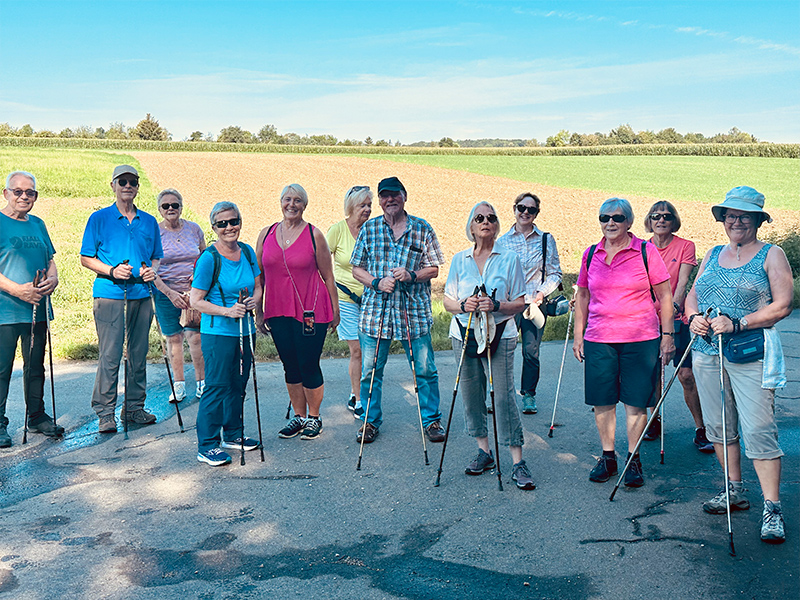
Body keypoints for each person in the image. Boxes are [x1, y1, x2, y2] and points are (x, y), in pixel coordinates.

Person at [685, 186, 793, 544]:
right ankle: (734, 490)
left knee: (759, 429)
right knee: (719, 426)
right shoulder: (713, 253)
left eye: (744, 216)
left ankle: (772, 508)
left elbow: (783, 306)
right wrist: (693, 317)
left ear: (758, 220)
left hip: (749, 352)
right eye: (730, 215)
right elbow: (694, 294)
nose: (736, 221)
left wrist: (739, 322)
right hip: (705, 351)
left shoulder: (771, 254)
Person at [572, 197, 675, 488]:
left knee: (635, 403)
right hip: (599, 338)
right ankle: (608, 457)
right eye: (605, 218)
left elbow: (665, 296)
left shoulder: (645, 250)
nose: (610, 223)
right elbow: (582, 296)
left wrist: (667, 337)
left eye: (617, 218)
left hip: (640, 338)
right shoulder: (591, 254)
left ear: (629, 222)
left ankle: (633, 458)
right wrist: (579, 335)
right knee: (602, 401)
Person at [443, 202, 534, 489]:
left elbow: (520, 303)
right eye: (479, 218)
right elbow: (447, 301)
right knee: (471, 395)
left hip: (501, 333)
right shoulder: (460, 260)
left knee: (503, 397)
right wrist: (462, 304)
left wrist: (496, 305)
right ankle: (485, 451)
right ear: (471, 226)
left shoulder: (509, 259)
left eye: (491, 218)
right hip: (465, 333)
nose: (485, 222)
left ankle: (517, 460)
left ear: (496, 226)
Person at [350, 176, 445, 444]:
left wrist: (412, 275)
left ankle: (431, 420)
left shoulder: (422, 228)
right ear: (379, 200)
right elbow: (356, 268)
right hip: (375, 313)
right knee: (370, 371)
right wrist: (377, 282)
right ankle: (369, 421)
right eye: (384, 196)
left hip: (412, 313)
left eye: (395, 194)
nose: (390, 199)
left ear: (405, 196)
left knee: (424, 369)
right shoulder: (369, 229)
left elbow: (434, 267)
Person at [80, 165, 162, 433]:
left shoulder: (149, 221)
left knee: (138, 353)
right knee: (110, 353)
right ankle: (105, 412)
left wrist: (153, 270)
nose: (128, 186)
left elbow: (156, 256)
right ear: (113, 185)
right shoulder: (99, 218)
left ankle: (134, 408)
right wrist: (112, 270)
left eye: (133, 182)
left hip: (141, 293)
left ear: (138, 187)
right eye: (123, 181)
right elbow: (86, 258)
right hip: (110, 293)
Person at [256, 184, 339, 441]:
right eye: (287, 199)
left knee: (308, 364)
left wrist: (335, 311)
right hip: (277, 310)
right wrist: (259, 311)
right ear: (280, 202)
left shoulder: (315, 235)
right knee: (289, 365)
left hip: (310, 311)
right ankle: (299, 416)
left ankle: (315, 417)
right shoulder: (266, 233)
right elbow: (259, 277)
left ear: (305, 205)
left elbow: (328, 275)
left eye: (298, 200)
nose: (292, 204)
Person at [190, 202, 262, 466]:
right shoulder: (209, 258)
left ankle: (232, 434)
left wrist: (255, 300)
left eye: (233, 221)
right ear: (214, 228)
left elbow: (257, 285)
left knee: (238, 384)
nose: (229, 227)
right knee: (217, 386)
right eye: (222, 224)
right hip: (218, 332)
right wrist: (226, 311)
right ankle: (207, 445)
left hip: (245, 330)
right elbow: (195, 300)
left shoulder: (246, 251)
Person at [641, 201, 713, 453]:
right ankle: (654, 420)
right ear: (649, 221)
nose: (661, 220)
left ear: (674, 221)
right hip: (648, 320)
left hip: (677, 317)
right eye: (655, 216)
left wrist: (672, 309)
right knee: (653, 374)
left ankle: (701, 428)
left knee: (686, 375)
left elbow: (682, 283)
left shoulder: (685, 246)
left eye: (667, 216)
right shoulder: (641, 248)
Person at [0, 171, 63, 447]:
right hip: (5, 311)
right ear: (6, 194)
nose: (24, 196)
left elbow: (50, 259)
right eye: (18, 191)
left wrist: (53, 278)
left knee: (35, 365)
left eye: (30, 192)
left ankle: (36, 416)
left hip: (36, 309)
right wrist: (17, 290)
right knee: (1, 369)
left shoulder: (38, 223)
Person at [496, 192, 562, 414]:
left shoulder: (546, 240)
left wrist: (541, 293)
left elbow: (555, 273)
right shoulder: (502, 241)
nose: (525, 212)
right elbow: (496, 274)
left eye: (531, 209)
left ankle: (528, 395)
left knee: (531, 352)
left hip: (534, 305)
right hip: (508, 305)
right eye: (521, 208)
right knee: (502, 349)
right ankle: (500, 395)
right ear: (514, 209)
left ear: (536, 213)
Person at [151, 188, 207, 402]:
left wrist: (198, 282)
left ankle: (202, 383)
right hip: (165, 292)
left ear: (181, 207)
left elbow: (204, 257)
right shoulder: (155, 232)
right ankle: (179, 385)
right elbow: (149, 269)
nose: (171, 209)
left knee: (195, 337)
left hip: (193, 293)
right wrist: (169, 293)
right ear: (160, 209)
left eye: (175, 205)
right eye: (166, 206)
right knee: (174, 338)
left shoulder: (194, 229)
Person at [326, 185, 373, 419]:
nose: (367, 209)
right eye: (362, 205)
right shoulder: (337, 230)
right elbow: (322, 262)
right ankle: (357, 396)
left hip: (372, 299)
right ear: (351, 207)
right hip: (345, 298)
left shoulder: (374, 230)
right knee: (356, 350)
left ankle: (367, 391)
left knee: (369, 350)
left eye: (369, 205)